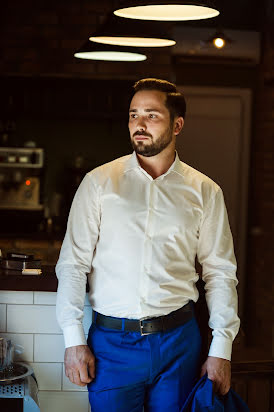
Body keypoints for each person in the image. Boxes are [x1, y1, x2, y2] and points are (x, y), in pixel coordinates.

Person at [56, 78, 240, 412]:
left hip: (179, 342)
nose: (139, 125)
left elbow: (220, 273)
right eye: (133, 115)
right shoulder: (99, 183)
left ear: (177, 124)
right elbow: (73, 264)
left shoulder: (205, 191)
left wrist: (221, 349)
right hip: (111, 345)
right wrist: (73, 341)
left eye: (151, 115)